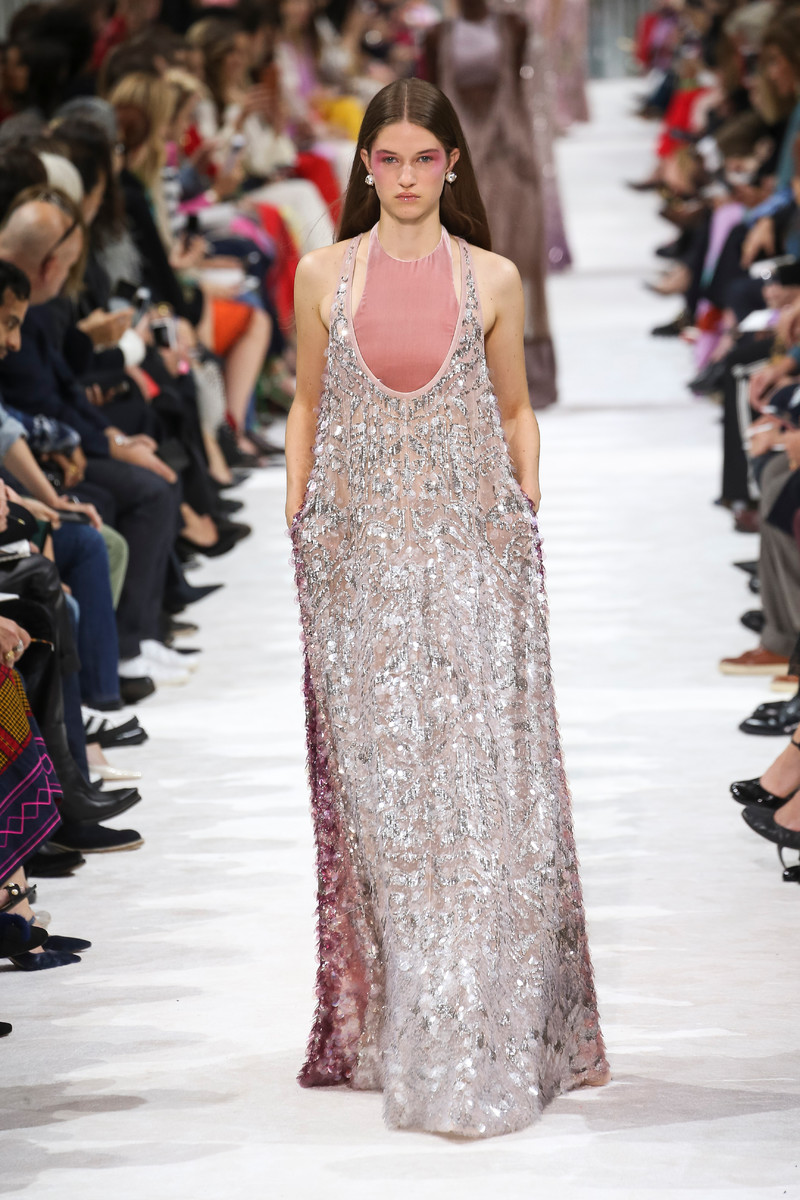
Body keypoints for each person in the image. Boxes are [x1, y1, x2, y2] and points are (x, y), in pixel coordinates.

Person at [285, 78, 609, 1138]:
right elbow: (306, 402)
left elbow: (513, 409)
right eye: (389, 158)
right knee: (390, 808)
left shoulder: (494, 279)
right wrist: (300, 518)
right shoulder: (322, 276)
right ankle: (415, 1014)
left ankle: (478, 1023)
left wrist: (523, 504)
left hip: (476, 559)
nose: (408, 175)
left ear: (453, 164)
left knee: (481, 797)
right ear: (365, 166)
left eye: (425, 157)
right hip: (356, 568)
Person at [424, 0, 557, 408]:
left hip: (510, 159)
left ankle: (523, 374)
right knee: (465, 263)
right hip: (460, 166)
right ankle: (465, 373)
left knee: (516, 263)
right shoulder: (436, 37)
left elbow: (528, 93)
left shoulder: (514, 27)